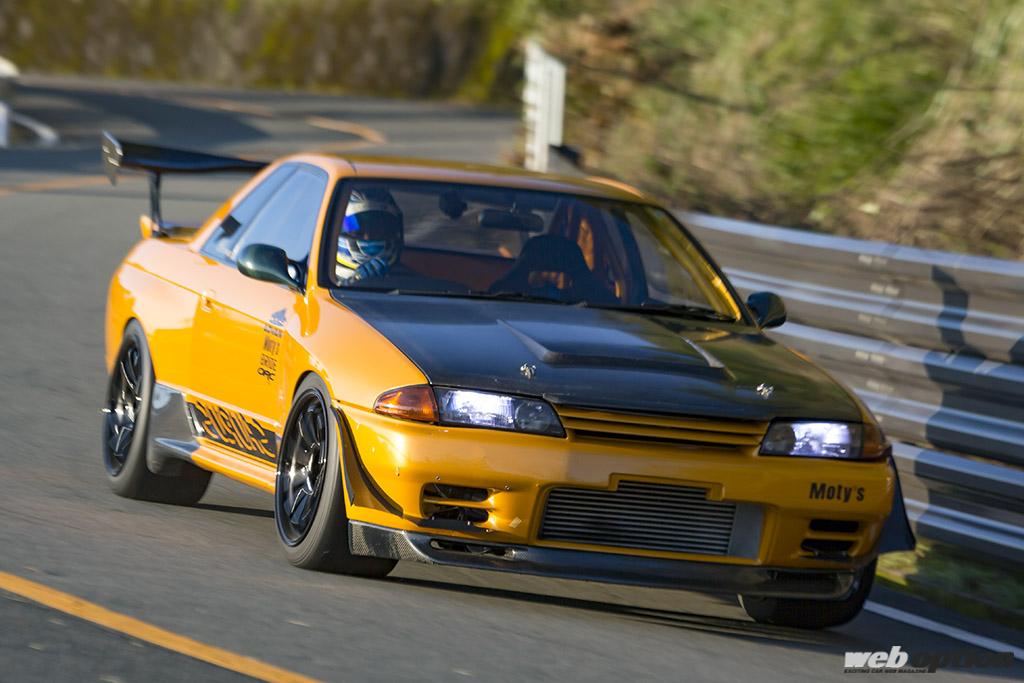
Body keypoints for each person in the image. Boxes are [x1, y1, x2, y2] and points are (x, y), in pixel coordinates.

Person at [336, 188, 404, 282]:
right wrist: (354, 280)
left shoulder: (407, 281)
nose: (367, 237)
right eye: (357, 230)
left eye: (377, 229)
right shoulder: (319, 274)